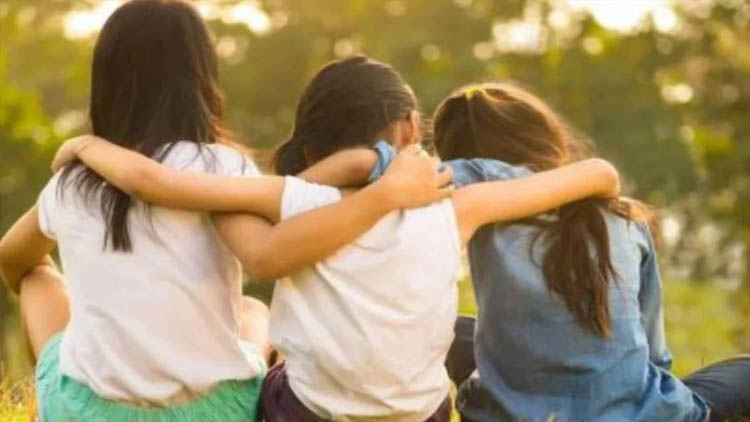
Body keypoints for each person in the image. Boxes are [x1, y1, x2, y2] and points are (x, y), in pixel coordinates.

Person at [50, 56, 621, 422]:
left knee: (264, 346)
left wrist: (84, 148)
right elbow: (600, 177)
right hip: (417, 417)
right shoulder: (458, 210)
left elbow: (159, 184)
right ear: (405, 132)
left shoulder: (290, 200)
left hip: (307, 413)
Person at [0, 2, 453, 421]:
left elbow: (13, 257)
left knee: (38, 277)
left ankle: (69, 391)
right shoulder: (224, 168)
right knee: (252, 313)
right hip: (216, 411)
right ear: (201, 80)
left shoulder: (73, 181)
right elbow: (275, 230)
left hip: (94, 414)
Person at [412, 81, 750, 422]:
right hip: (635, 413)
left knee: (450, 331)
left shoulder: (480, 187)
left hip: (507, 414)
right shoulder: (624, 218)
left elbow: (417, 179)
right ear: (543, 136)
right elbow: (655, 356)